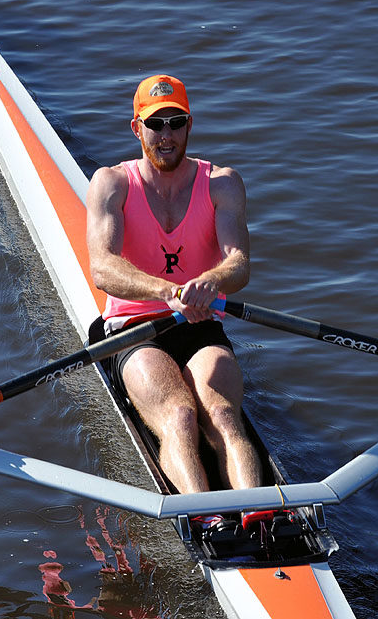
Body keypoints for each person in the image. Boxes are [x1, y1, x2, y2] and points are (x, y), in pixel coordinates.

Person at [86, 74, 262, 494]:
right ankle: (208, 518)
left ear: (189, 124)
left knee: (221, 415)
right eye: (155, 123)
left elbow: (238, 265)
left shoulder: (222, 183)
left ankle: (258, 514)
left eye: (176, 122)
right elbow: (103, 269)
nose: (166, 135)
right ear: (137, 127)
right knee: (180, 415)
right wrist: (167, 291)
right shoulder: (112, 183)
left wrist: (210, 280)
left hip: (199, 323)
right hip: (134, 329)